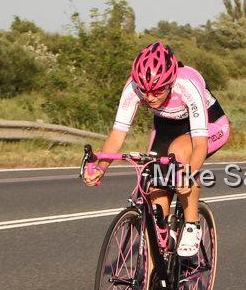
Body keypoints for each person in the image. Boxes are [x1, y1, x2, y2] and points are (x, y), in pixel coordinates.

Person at [82, 41, 230, 257]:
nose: (150, 97)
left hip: (208, 127)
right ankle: (160, 262)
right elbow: (117, 135)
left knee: (180, 159)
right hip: (166, 128)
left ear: (170, 81)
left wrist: (188, 174)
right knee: (155, 183)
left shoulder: (187, 84)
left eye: (157, 90)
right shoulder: (133, 87)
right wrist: (100, 167)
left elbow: (199, 144)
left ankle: (191, 225)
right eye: (145, 90)